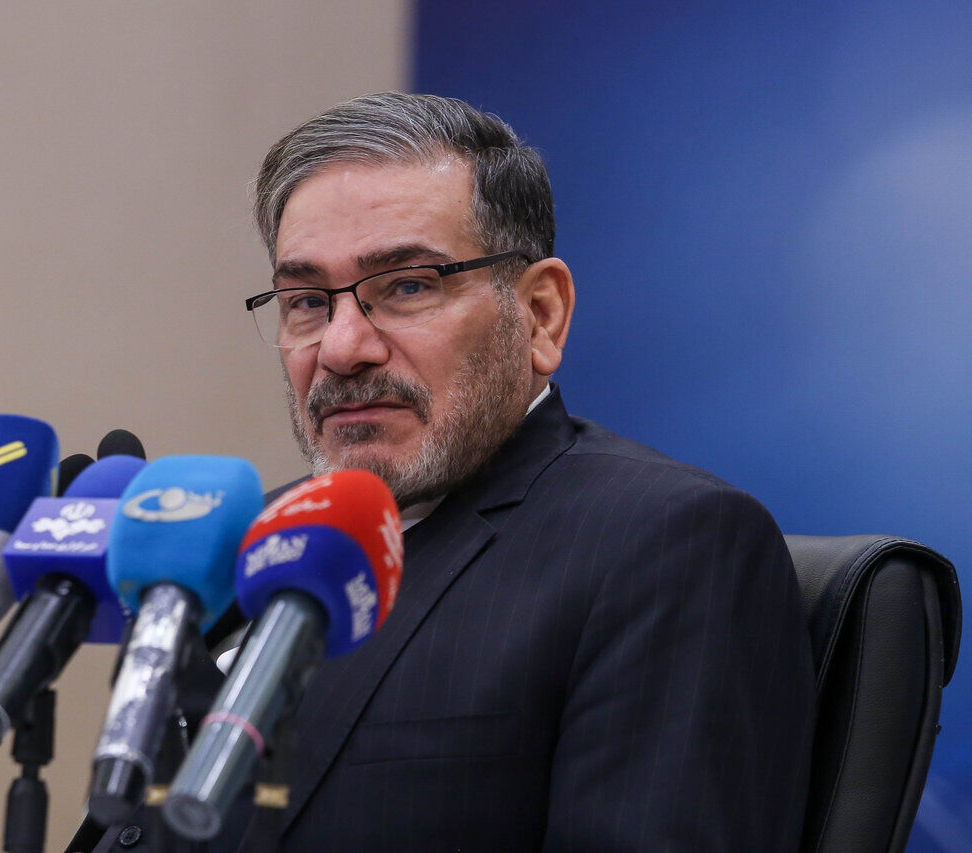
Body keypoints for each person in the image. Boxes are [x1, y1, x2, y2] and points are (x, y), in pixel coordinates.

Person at [228, 92, 814, 851]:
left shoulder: (666, 543)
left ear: (540, 314)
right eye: (307, 301)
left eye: (407, 286)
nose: (342, 349)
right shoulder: (257, 540)